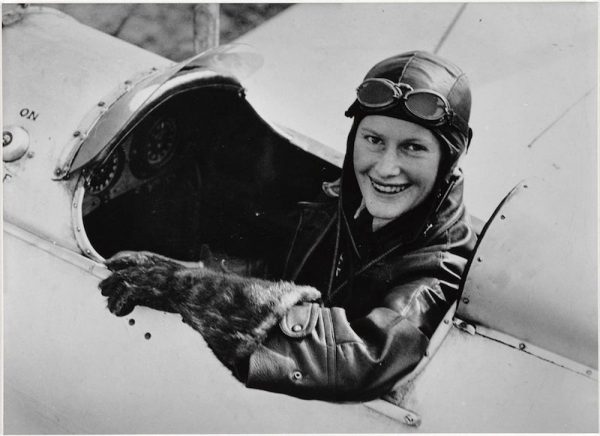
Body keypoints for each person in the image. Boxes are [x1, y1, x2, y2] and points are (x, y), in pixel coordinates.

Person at [100, 50, 476, 402]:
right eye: (374, 140)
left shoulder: (440, 270)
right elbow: (286, 267)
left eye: (413, 148)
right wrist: (192, 272)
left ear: (450, 158)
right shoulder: (350, 205)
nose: (385, 167)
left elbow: (360, 357)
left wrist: (192, 291)